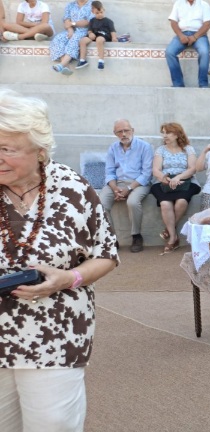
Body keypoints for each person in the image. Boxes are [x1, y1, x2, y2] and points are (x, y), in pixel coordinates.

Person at [0, 88, 119, 432]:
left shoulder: (74, 189)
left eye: (7, 149)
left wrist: (69, 278)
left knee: (52, 424)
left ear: (40, 150)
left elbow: (106, 255)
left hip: (54, 335)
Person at [99, 119, 153, 253]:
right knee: (100, 204)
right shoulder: (113, 148)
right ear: (115, 133)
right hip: (117, 184)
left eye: (126, 130)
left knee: (132, 202)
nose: (123, 134)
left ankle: (136, 236)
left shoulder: (145, 147)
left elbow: (147, 174)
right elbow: (109, 172)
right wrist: (115, 189)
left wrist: (129, 189)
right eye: (119, 132)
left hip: (139, 183)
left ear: (132, 131)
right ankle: (111, 238)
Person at [150, 122, 201, 255]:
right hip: (164, 181)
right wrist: (165, 178)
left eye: (168, 133)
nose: (164, 136)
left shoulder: (188, 149)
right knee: (165, 204)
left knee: (181, 202)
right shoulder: (160, 150)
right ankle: (173, 238)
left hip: (186, 180)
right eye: (163, 133)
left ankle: (168, 230)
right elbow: (156, 170)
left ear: (177, 134)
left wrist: (178, 177)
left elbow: (192, 169)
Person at [166, 0, 210, 88]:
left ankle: (203, 84)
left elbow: (207, 25)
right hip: (182, 34)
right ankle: (178, 84)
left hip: (199, 35)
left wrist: (195, 37)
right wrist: (181, 36)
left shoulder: (204, 4)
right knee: (169, 52)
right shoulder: (178, 3)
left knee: (204, 52)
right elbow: (173, 22)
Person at [49, 0, 93, 76]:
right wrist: (70, 30)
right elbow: (66, 19)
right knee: (58, 38)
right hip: (71, 30)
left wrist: (73, 23)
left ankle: (61, 65)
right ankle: (66, 67)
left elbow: (89, 22)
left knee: (75, 39)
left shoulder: (92, 4)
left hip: (84, 31)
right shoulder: (71, 5)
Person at [75, 1, 114, 70]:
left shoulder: (108, 21)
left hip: (103, 35)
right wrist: (90, 33)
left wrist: (114, 37)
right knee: (82, 41)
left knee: (99, 39)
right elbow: (90, 30)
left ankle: (101, 61)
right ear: (93, 12)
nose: (100, 14)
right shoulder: (92, 20)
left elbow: (112, 31)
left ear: (103, 10)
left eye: (101, 12)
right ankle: (82, 60)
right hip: (94, 35)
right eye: (97, 13)